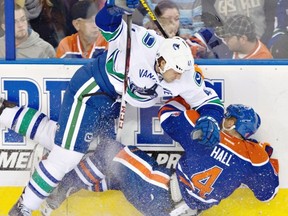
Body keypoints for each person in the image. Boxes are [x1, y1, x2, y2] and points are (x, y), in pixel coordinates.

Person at [8, 0, 224, 215]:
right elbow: (106, 23)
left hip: (113, 100)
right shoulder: (140, 41)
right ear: (161, 62)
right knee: (67, 155)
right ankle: (23, 208)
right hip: (91, 90)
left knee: (92, 150)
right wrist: (116, 7)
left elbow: (210, 102)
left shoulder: (183, 73)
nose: (178, 77)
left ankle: (6, 113)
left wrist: (210, 118)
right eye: (175, 72)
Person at [1, 97, 279, 215]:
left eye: (226, 116)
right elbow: (268, 193)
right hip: (176, 207)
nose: (223, 119)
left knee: (111, 153)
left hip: (161, 192)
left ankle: (56, 192)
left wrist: (190, 98)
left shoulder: (209, 132)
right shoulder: (254, 159)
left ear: (231, 122)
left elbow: (167, 114)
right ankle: (67, 189)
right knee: (117, 174)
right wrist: (264, 157)